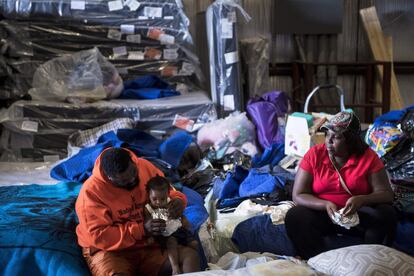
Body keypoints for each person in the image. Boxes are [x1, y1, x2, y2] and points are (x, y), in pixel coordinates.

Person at [285, 111, 397, 260]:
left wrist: (362, 200)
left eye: (336, 137)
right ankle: (317, 260)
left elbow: (386, 193)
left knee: (386, 213)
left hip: (358, 215)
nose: (329, 140)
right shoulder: (315, 154)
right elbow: (298, 194)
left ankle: (367, 260)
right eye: (327, 135)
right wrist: (325, 204)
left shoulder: (368, 157)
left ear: (351, 141)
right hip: (325, 214)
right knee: (295, 216)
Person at [75, 147, 189, 276]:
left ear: (134, 162)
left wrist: (178, 200)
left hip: (148, 243)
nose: (132, 180)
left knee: (188, 258)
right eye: (124, 181)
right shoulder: (91, 193)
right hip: (109, 251)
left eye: (134, 172)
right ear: (109, 178)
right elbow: (99, 236)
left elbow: (167, 190)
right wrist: (141, 229)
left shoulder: (145, 166)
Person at [145, 175, 200, 275]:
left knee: (195, 244)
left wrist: (184, 221)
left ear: (168, 195)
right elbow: (148, 224)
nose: (159, 202)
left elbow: (180, 214)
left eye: (163, 199)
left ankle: (200, 265)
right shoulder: (148, 209)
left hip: (179, 230)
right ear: (148, 195)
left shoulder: (171, 203)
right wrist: (150, 236)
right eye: (154, 199)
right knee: (172, 243)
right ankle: (175, 268)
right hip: (166, 234)